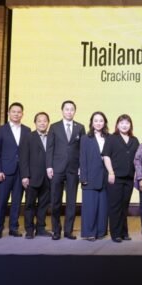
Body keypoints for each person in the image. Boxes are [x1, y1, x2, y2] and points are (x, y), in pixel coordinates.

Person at [46, 100, 85, 240]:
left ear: (75, 111)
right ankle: (56, 230)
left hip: (73, 169)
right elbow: (50, 148)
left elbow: (82, 150)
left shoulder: (80, 127)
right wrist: (49, 166)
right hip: (57, 168)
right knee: (55, 201)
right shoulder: (54, 127)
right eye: (67, 109)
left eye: (72, 109)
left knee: (71, 202)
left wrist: (81, 167)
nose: (69, 111)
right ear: (62, 111)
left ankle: (68, 231)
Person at [0, 102, 31, 239]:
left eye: (19, 112)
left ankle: (13, 228)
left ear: (22, 114)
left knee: (16, 202)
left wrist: (27, 173)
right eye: (13, 111)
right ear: (9, 113)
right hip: (5, 172)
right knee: (2, 201)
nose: (16, 114)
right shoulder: (1, 130)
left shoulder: (27, 130)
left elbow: (28, 153)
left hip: (21, 172)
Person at [102, 114, 140, 243]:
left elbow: (137, 159)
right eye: (122, 123)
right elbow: (106, 156)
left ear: (130, 125)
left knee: (124, 206)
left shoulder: (134, 140)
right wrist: (111, 172)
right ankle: (116, 234)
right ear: (117, 125)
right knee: (115, 206)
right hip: (115, 177)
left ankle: (124, 232)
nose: (124, 125)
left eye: (127, 123)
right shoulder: (112, 138)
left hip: (129, 177)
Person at [20, 112, 53, 239]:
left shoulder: (52, 136)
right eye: (39, 121)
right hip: (32, 177)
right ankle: (29, 230)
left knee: (44, 205)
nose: (42, 123)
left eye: (45, 121)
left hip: (48, 178)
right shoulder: (28, 136)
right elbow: (23, 158)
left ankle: (41, 228)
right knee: (29, 205)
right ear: (35, 123)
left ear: (48, 122)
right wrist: (25, 176)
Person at [79, 111, 110, 240]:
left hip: (105, 177)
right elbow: (82, 158)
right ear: (92, 123)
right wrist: (83, 177)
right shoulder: (86, 138)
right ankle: (89, 233)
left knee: (103, 207)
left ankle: (101, 232)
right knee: (90, 207)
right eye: (96, 120)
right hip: (90, 177)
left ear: (105, 123)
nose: (98, 123)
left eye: (101, 121)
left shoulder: (109, 137)